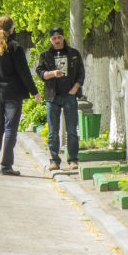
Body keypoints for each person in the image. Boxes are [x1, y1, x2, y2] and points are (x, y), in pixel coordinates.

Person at [0, 15, 41, 175]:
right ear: (11, 28)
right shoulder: (14, 47)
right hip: (13, 94)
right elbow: (24, 72)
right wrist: (34, 91)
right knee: (10, 129)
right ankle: (6, 166)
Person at [34, 27, 86, 171]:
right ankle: (54, 161)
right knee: (53, 131)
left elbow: (81, 74)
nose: (57, 40)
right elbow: (40, 72)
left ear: (63, 38)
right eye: (54, 38)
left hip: (69, 96)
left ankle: (73, 160)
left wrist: (75, 89)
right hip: (53, 96)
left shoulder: (73, 54)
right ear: (50, 40)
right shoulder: (45, 56)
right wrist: (52, 73)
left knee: (71, 130)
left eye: (59, 38)